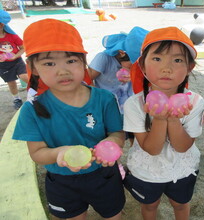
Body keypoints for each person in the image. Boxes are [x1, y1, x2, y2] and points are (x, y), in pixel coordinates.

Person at [12, 19, 125, 220]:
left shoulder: (105, 99)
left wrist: (111, 142)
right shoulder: (32, 110)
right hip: (61, 181)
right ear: (33, 67)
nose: (62, 71)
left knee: (113, 215)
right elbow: (37, 153)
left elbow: (117, 133)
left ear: (83, 61)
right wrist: (59, 153)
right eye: (49, 63)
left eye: (71, 61)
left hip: (104, 176)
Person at [124, 27, 204, 220]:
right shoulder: (134, 104)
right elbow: (152, 149)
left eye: (177, 60)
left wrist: (173, 119)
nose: (166, 68)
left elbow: (182, 146)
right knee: (150, 205)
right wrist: (160, 119)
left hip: (182, 169)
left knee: (180, 204)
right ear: (143, 66)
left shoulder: (195, 102)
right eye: (157, 58)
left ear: (190, 67)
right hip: (147, 171)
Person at [88, 26, 149, 113]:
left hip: (126, 105)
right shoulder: (103, 58)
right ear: (121, 53)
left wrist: (133, 77)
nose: (135, 67)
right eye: (133, 64)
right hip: (106, 105)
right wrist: (99, 98)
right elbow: (86, 78)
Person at [0, 10, 28, 110]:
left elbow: (23, 47)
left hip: (17, 61)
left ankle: (36, 94)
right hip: (3, 65)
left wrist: (15, 56)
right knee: (11, 83)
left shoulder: (12, 36)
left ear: (2, 25)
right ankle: (17, 99)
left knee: (24, 76)